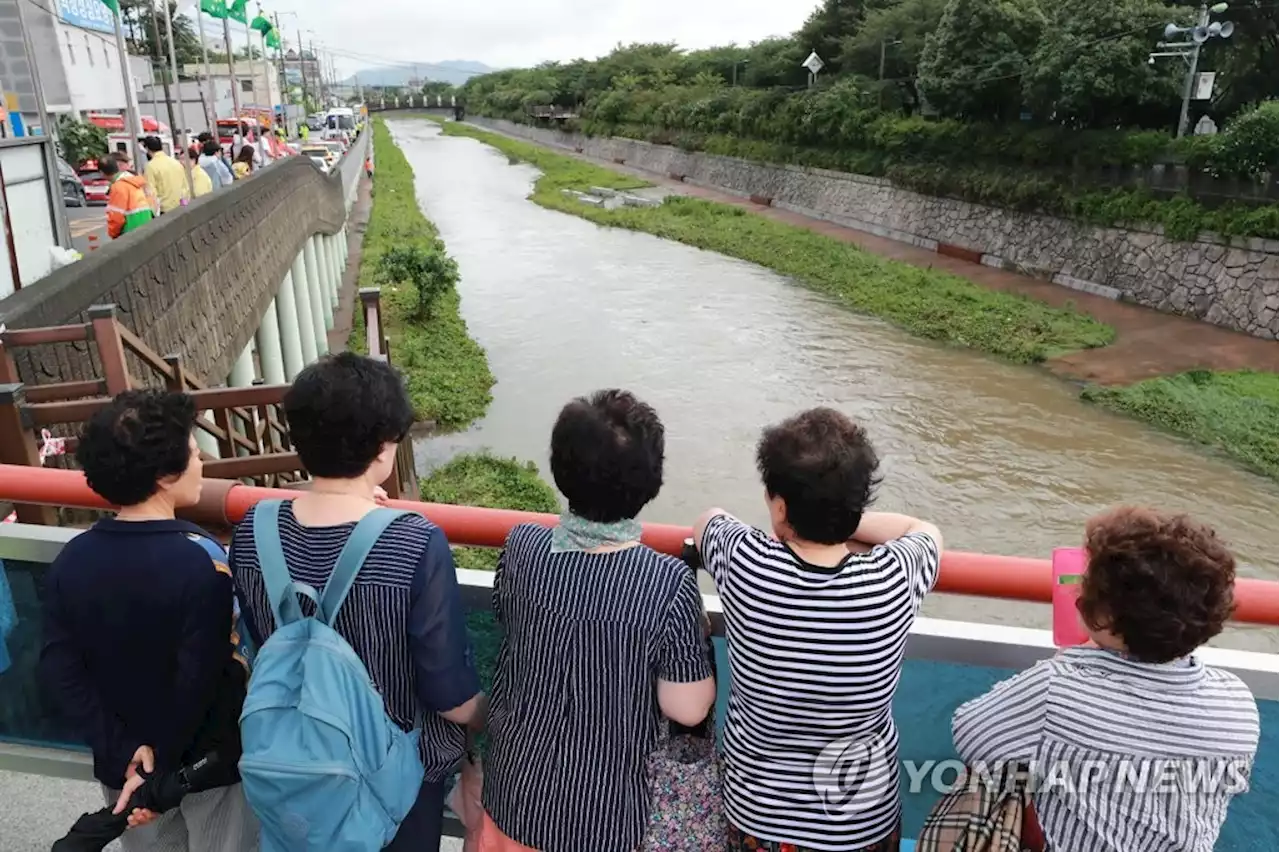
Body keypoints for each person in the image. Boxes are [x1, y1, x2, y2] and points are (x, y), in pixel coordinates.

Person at [228, 352, 483, 852]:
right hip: (393, 782)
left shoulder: (251, 532)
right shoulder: (414, 543)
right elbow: (450, 697)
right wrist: (496, 716)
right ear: (384, 448)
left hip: (286, 764)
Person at [694, 407, 943, 852]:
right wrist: (845, 520)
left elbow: (708, 518)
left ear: (781, 506)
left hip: (759, 821)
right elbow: (924, 530)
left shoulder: (746, 563)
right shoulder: (893, 579)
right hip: (859, 826)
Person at [479, 389, 716, 852]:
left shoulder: (521, 547)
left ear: (560, 469)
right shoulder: (665, 582)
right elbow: (687, 708)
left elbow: (505, 619)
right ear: (651, 482)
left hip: (513, 797)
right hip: (607, 820)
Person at [952, 507, 1260, 852]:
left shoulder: (1057, 688)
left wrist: (1070, 663)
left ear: (1105, 615)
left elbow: (971, 736)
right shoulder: (1238, 701)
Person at [39, 389, 259, 852]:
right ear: (164, 475)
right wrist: (161, 762)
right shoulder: (203, 562)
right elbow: (199, 680)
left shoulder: (71, 560)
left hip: (123, 767)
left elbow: (60, 669)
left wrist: (126, 755)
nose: (202, 463)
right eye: (196, 454)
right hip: (202, 767)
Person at [102, 153, 154, 239]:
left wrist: (113, 234)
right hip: (145, 229)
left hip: (129, 232)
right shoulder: (137, 180)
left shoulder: (120, 185)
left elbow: (116, 216)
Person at [142, 135, 189, 213]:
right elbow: (185, 187)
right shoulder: (176, 163)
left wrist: (153, 213)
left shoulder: (150, 166)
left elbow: (150, 192)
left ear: (147, 149)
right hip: (180, 207)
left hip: (164, 210)